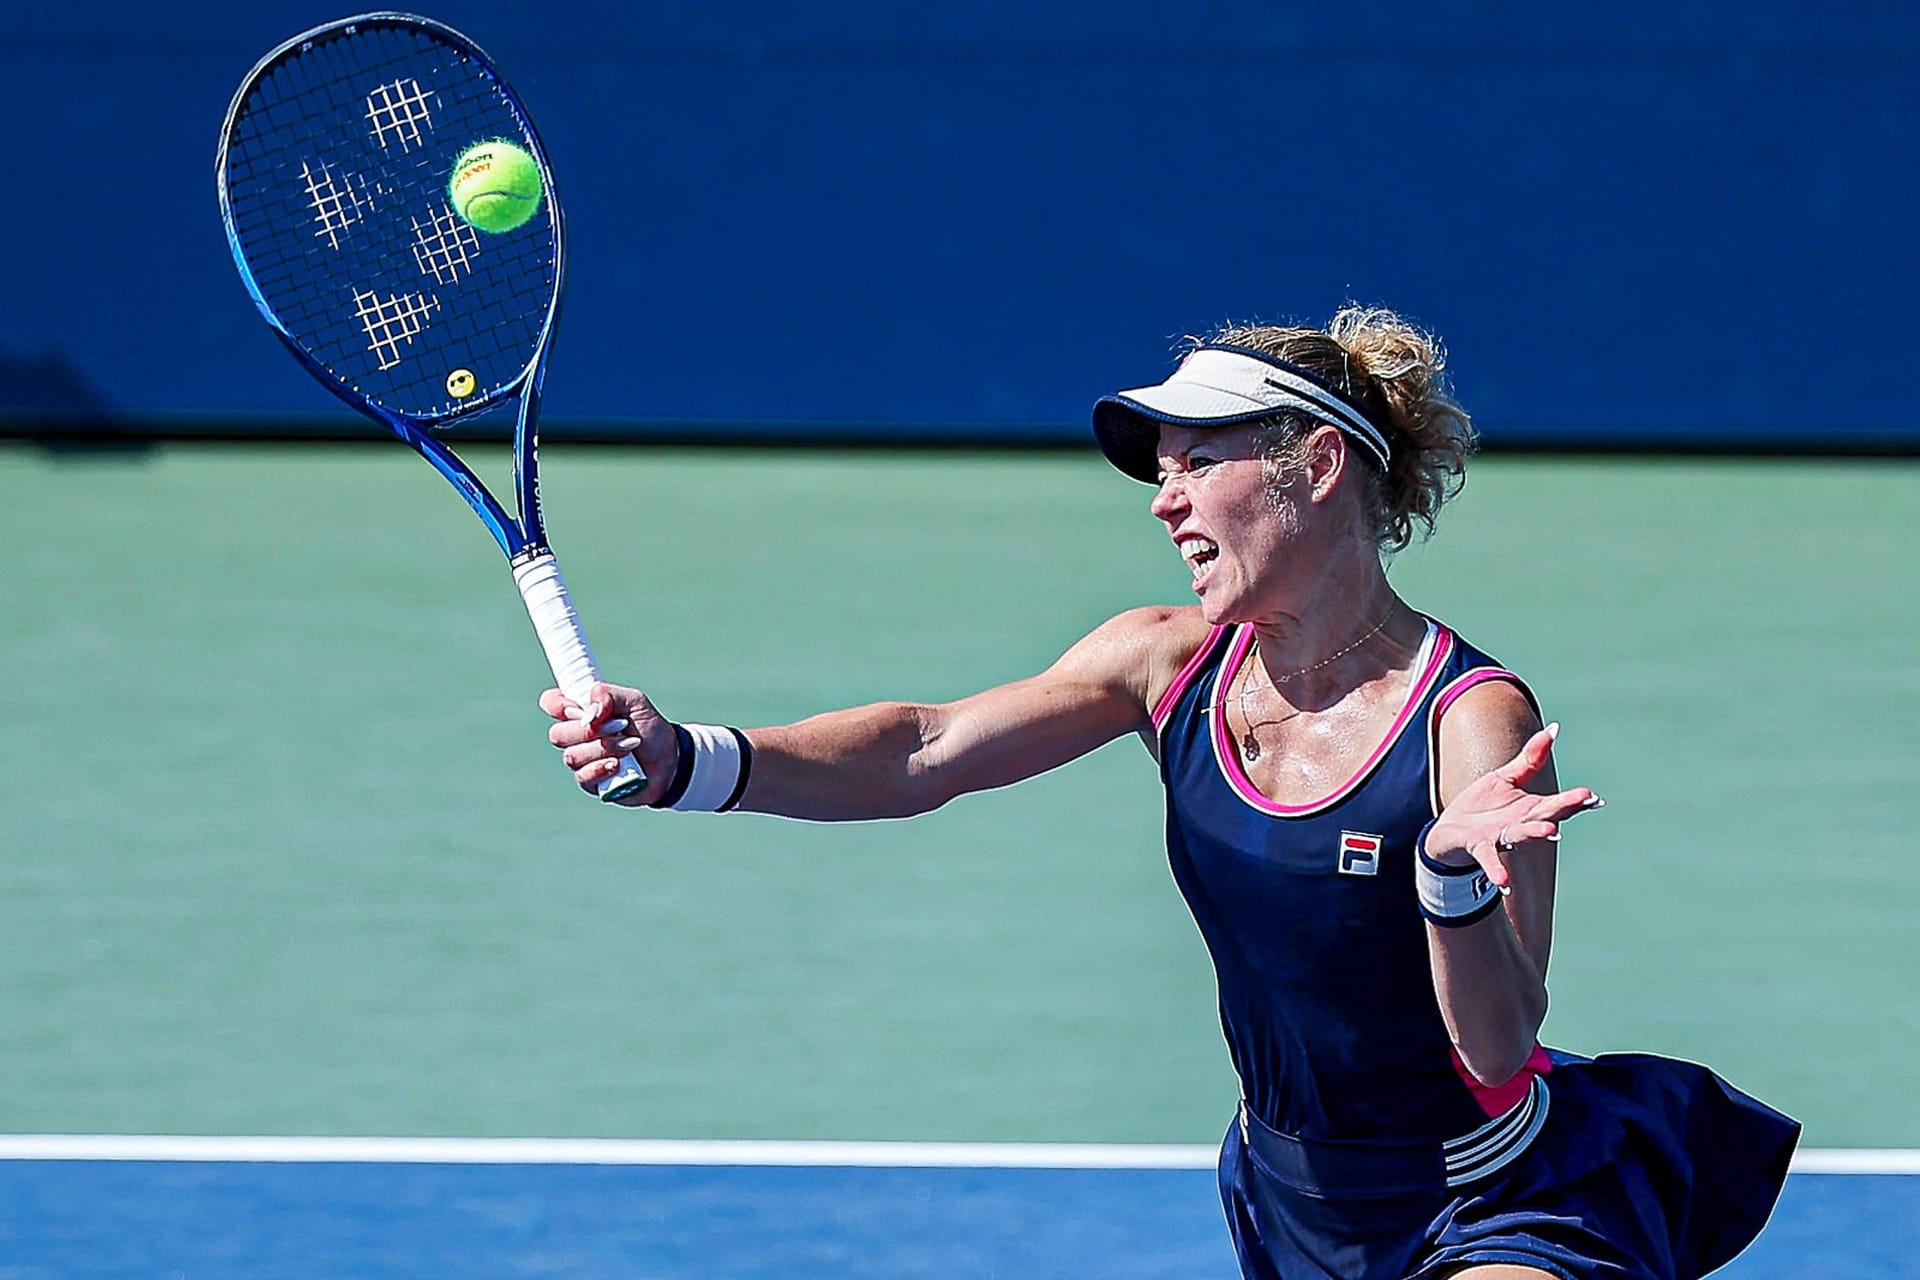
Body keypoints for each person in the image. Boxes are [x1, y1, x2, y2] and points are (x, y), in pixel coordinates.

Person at [541, 306, 1798, 1280]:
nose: (1165, 498)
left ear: (1314, 465)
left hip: (1494, 1190)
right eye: (1160, 468)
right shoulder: (1165, 660)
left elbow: (1498, 1044)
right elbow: (924, 748)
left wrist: (1451, 877)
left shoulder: (1471, 722)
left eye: (1199, 461)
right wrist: (692, 759)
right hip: (1297, 1192)